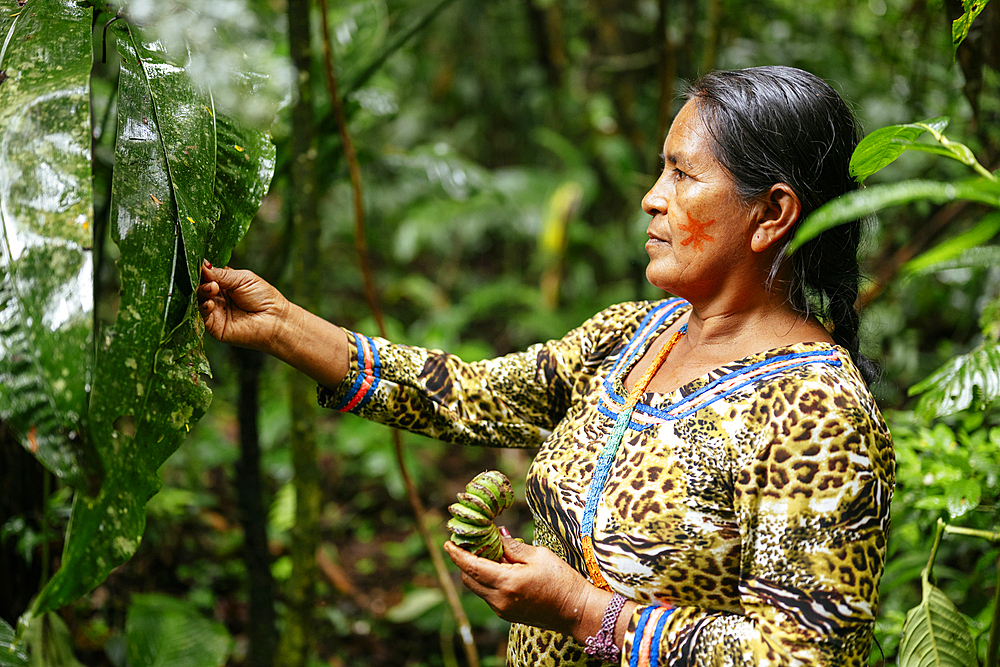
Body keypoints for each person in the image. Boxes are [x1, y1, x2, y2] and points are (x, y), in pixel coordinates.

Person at [198, 65, 894, 666]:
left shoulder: (815, 406)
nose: (653, 195)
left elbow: (804, 654)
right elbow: (467, 394)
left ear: (771, 213)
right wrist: (283, 325)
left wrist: (583, 610)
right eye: (661, 168)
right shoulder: (634, 334)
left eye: (682, 174)